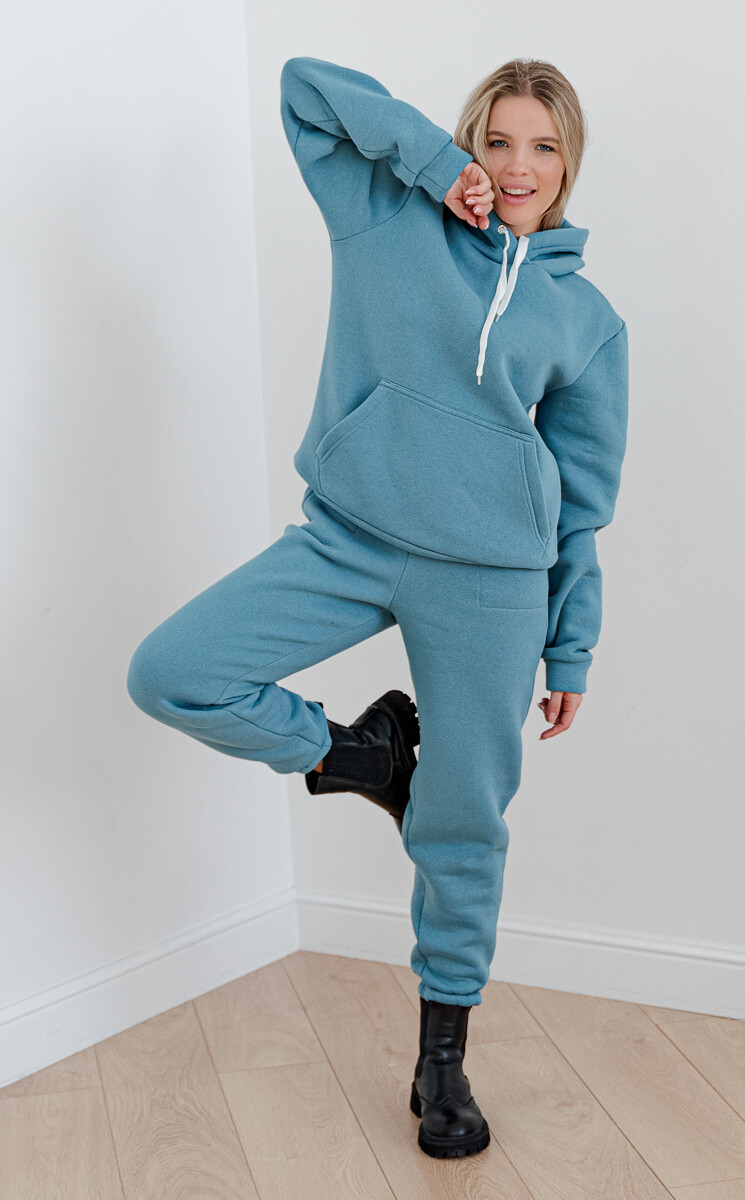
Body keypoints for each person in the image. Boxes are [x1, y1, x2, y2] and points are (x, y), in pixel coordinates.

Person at [126, 54, 629, 1159]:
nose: (517, 166)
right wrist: (432, 164)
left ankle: (441, 1060)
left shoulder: (586, 319)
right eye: (497, 140)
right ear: (471, 140)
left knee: (464, 821)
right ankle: (364, 757)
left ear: (569, 163)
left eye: (542, 147)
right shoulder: (387, 216)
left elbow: (584, 505)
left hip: (491, 579)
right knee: (173, 671)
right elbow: (304, 87)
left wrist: (572, 646)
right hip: (349, 538)